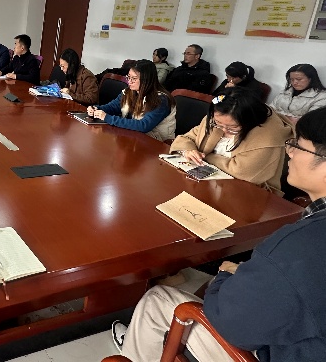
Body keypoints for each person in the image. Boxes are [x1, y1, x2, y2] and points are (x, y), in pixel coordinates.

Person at [112, 106, 326, 362]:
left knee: (158, 299)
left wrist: (224, 276)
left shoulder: (299, 246)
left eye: (297, 146)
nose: (289, 152)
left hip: (271, 353)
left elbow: (235, 325)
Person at [170, 88, 293, 194]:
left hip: (245, 193)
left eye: (232, 127)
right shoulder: (217, 118)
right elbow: (186, 138)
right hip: (206, 183)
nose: (224, 130)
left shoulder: (267, 136)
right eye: (218, 124)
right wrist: (189, 150)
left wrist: (204, 156)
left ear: (250, 121)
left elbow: (241, 172)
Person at [87, 59, 176, 142]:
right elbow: (113, 107)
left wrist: (107, 118)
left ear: (146, 80)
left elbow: (143, 125)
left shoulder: (161, 100)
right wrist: (96, 109)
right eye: (128, 77)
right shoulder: (129, 92)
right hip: (134, 137)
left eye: (134, 79)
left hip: (157, 143)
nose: (129, 81)